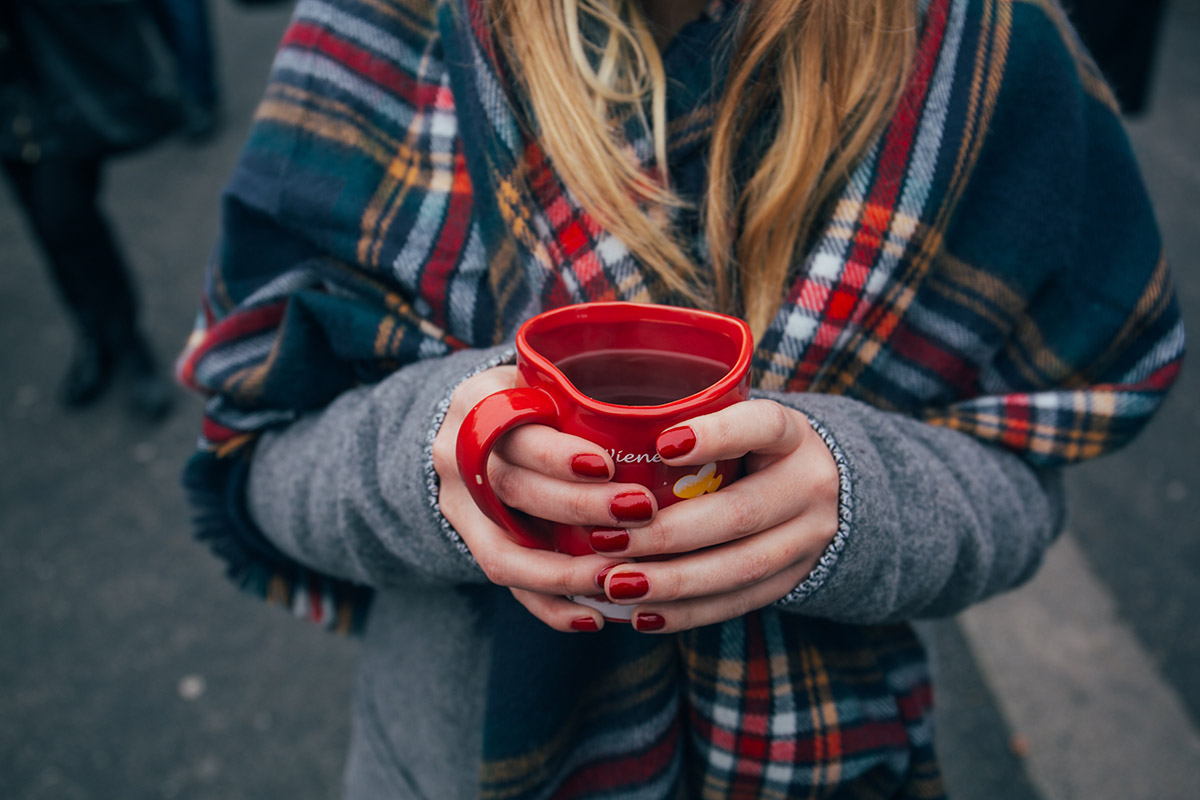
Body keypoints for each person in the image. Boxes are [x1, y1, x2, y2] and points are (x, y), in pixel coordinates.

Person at [177, 0, 1184, 797]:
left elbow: (1024, 479)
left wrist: (856, 500)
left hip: (824, 761)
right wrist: (439, 453)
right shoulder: (391, 25)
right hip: (453, 763)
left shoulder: (982, 49)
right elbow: (261, 454)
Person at [2, 0, 176, 420]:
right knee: (46, 228)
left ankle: (128, 341)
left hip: (56, 75)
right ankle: (94, 337)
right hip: (8, 100)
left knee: (67, 216)